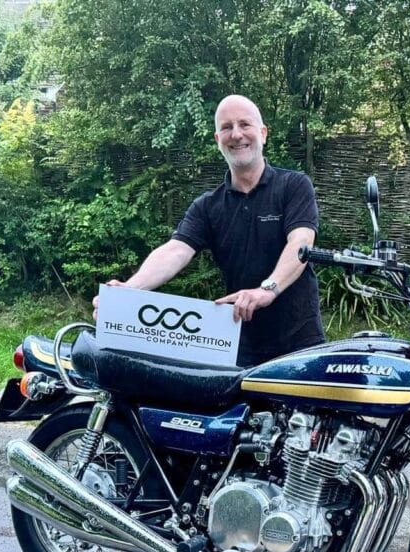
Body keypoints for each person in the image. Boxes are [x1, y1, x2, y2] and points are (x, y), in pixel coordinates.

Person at [92, 94, 324, 367]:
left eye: (244, 124)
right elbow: (175, 251)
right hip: (237, 346)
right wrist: (128, 291)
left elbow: (301, 243)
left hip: (299, 343)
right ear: (217, 140)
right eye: (226, 127)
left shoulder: (294, 186)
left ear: (263, 134)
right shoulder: (208, 206)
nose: (236, 134)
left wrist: (267, 290)